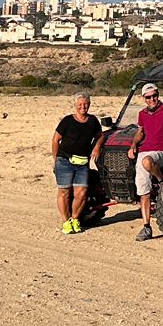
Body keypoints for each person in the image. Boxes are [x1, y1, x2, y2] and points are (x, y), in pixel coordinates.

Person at [127, 81, 163, 242]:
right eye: (149, 97)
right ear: (144, 98)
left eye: (155, 96)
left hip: (161, 151)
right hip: (144, 150)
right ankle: (146, 227)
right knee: (143, 190)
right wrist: (133, 144)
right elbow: (141, 132)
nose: (152, 99)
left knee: (147, 162)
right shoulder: (143, 114)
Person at [50, 93, 105, 235]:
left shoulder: (92, 120)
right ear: (75, 105)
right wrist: (56, 160)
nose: (83, 107)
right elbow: (55, 140)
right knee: (64, 192)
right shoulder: (67, 121)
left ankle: (75, 219)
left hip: (82, 163)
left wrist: (97, 147)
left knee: (82, 193)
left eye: (85, 104)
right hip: (65, 161)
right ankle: (65, 221)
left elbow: (100, 136)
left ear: (89, 104)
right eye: (80, 104)